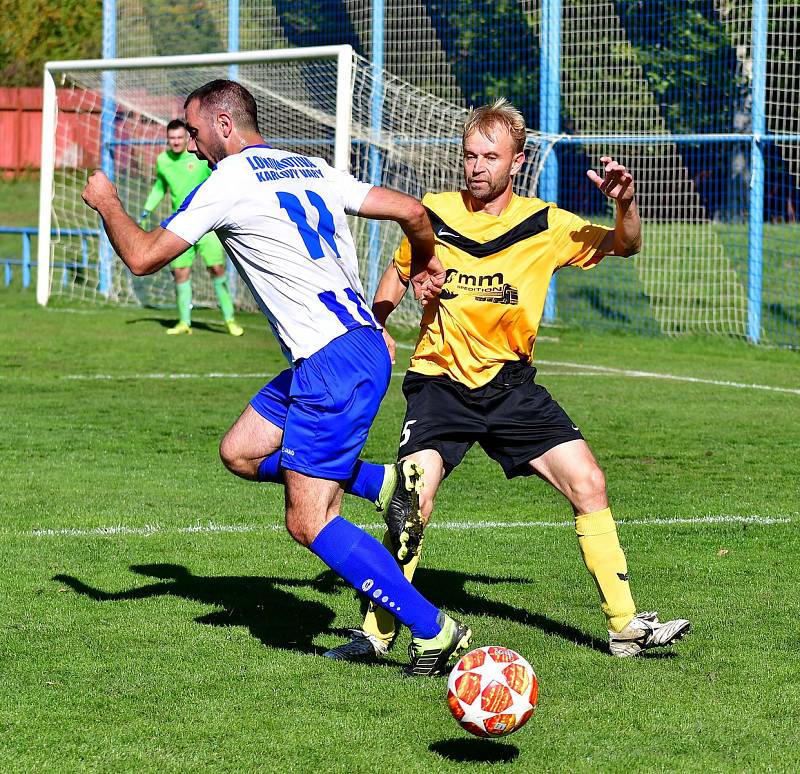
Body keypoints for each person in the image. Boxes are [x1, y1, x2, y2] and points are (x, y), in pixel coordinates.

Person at [82, 79, 471, 677]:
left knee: (309, 519)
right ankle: (388, 486)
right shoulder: (309, 167)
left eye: (195, 130)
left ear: (224, 124)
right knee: (240, 451)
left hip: (330, 362)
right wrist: (424, 260)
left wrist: (108, 200)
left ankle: (434, 630)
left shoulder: (229, 180)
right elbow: (416, 211)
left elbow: (142, 257)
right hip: (354, 345)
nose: (191, 144)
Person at [323, 98, 691, 661]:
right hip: (440, 381)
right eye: (469, 155)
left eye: (489, 157)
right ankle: (375, 636)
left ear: (516, 161)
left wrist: (626, 204)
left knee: (588, 482)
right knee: (412, 500)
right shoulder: (434, 212)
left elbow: (626, 243)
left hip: (512, 386)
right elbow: (401, 270)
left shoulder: (545, 223)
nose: (475, 167)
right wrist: (376, 323)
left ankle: (624, 626)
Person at [140, 118, 244, 336]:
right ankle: (184, 322)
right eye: (172, 138)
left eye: (180, 137)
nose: (176, 142)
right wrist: (146, 209)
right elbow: (160, 187)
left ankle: (229, 320)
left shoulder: (199, 157)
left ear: (186, 138)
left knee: (217, 269)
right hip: (181, 225)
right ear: (167, 140)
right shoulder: (163, 161)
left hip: (208, 224)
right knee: (180, 272)